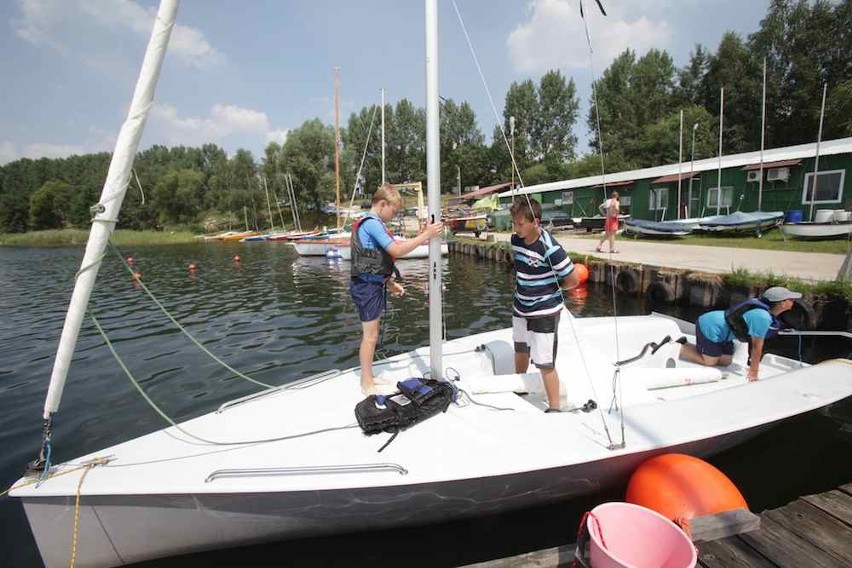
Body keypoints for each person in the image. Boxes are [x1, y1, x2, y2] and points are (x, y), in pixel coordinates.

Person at [351, 183, 444, 395]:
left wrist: (389, 283)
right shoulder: (373, 223)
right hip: (366, 288)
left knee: (371, 335)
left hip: (370, 284)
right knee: (370, 336)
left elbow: (372, 260)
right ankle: (366, 383)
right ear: (382, 204)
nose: (394, 216)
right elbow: (396, 250)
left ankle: (369, 377)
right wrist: (426, 235)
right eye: (393, 211)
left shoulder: (371, 223)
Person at [510, 197, 580, 412]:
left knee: (544, 361)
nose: (516, 228)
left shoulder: (550, 249)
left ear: (536, 222)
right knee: (521, 348)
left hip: (544, 311)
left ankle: (555, 407)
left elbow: (573, 280)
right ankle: (520, 387)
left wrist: (548, 289)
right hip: (521, 306)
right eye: (514, 223)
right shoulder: (516, 240)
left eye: (521, 224)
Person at [678, 286, 801, 381]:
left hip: (725, 333)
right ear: (782, 303)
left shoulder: (765, 312)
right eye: (791, 299)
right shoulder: (762, 317)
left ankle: (686, 343)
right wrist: (754, 371)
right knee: (710, 362)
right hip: (711, 326)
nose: (793, 301)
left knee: (726, 362)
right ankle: (680, 347)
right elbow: (757, 347)